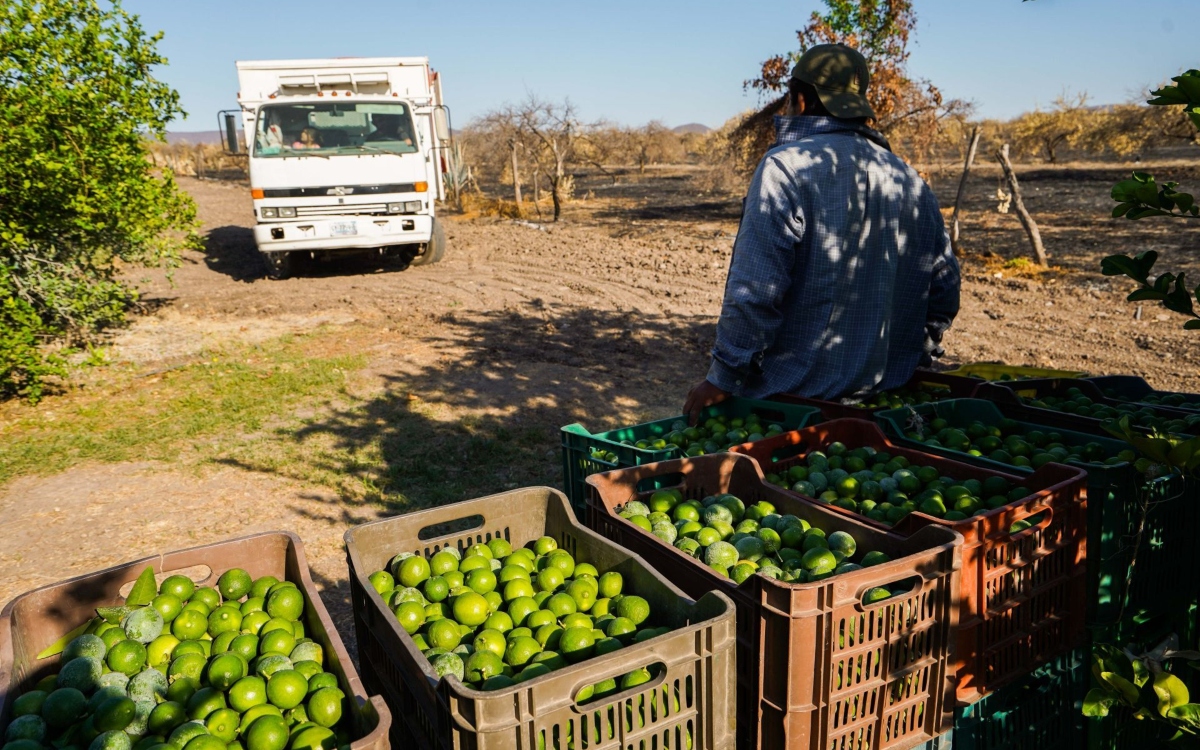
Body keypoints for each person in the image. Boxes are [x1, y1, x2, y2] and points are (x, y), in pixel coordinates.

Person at [684, 43, 960, 421]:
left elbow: (755, 291)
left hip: (793, 409)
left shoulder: (785, 168)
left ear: (799, 99)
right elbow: (944, 289)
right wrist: (913, 355)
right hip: (887, 406)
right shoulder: (909, 179)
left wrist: (723, 377)